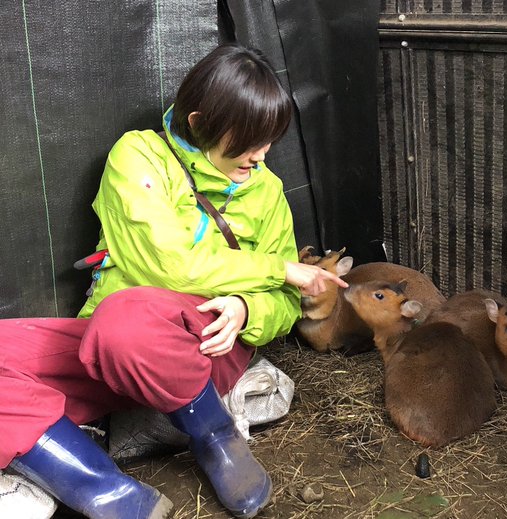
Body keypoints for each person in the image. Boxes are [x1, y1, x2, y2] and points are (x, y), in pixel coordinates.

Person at [0, 44, 347, 519]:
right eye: (248, 140)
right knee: (120, 323)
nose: (262, 155)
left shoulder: (265, 190)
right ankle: (106, 492)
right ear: (201, 122)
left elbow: (286, 304)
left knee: (124, 323)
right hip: (109, 348)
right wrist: (277, 268)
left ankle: (215, 436)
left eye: (269, 139)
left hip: (201, 349)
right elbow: (168, 264)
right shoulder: (137, 156)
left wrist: (247, 309)